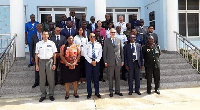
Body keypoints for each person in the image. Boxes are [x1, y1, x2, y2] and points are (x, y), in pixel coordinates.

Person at [35, 31, 57, 102]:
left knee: (51, 79)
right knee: (42, 79)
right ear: (42, 35)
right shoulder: (38, 44)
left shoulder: (51, 43)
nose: (45, 35)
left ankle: (51, 94)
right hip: (41, 62)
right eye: (44, 34)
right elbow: (36, 55)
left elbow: (54, 54)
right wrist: (37, 65)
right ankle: (43, 94)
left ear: (48, 35)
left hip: (49, 61)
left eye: (46, 34)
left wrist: (54, 63)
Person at [103, 28, 124, 97]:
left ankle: (117, 91)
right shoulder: (106, 41)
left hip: (118, 61)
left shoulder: (119, 40)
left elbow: (121, 51)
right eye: (112, 32)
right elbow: (105, 52)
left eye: (114, 32)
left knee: (118, 77)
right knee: (110, 77)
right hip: (110, 62)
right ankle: (111, 91)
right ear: (109, 33)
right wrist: (105, 61)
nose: (113, 33)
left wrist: (122, 60)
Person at [60, 36, 81, 100]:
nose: (71, 40)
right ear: (67, 39)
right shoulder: (63, 46)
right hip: (66, 65)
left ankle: (75, 92)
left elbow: (79, 54)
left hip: (75, 65)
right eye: (69, 38)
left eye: (72, 38)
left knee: (75, 80)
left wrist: (75, 62)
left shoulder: (77, 46)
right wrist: (67, 62)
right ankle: (67, 93)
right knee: (67, 80)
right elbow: (61, 55)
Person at [84, 33, 102, 99]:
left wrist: (96, 61)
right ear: (89, 37)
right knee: (88, 78)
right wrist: (90, 61)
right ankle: (89, 93)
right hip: (89, 62)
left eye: (94, 36)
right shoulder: (87, 45)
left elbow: (100, 54)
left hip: (96, 62)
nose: (92, 38)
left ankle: (97, 92)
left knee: (96, 78)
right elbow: (85, 54)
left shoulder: (98, 44)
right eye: (91, 36)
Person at [30, 23, 42, 88]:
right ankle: (36, 82)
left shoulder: (45, 35)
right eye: (38, 26)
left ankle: (45, 82)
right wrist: (32, 56)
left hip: (44, 55)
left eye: (40, 26)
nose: (39, 27)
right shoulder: (33, 36)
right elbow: (31, 46)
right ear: (36, 27)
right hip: (36, 55)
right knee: (37, 68)